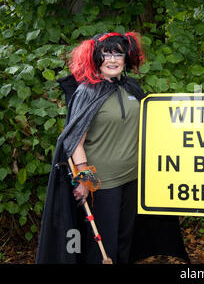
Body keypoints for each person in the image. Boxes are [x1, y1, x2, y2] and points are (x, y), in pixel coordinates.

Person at [36, 32, 188, 264]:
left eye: (118, 53)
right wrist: (84, 178)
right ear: (96, 58)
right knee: (102, 245)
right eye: (106, 53)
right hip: (103, 182)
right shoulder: (88, 92)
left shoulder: (132, 88)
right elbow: (73, 139)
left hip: (133, 177)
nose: (112, 59)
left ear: (127, 57)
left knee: (126, 239)